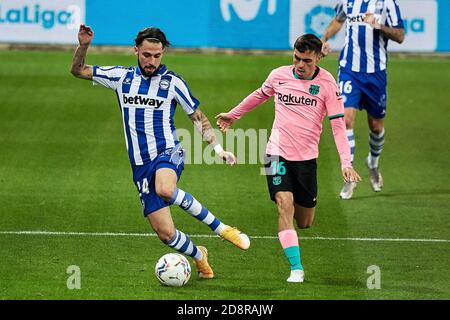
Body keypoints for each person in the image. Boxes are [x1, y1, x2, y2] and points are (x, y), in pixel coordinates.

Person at [70, 24, 250, 280]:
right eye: (146, 55)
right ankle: (200, 255)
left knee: (165, 188)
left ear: (163, 53)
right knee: (166, 234)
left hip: (168, 152)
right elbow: (78, 70)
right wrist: (84, 45)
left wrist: (219, 149)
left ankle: (222, 229)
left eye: (157, 55)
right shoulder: (121, 78)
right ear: (136, 51)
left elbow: (198, 118)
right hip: (141, 166)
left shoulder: (173, 83)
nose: (152, 61)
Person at [216, 34, 361, 283]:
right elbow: (259, 95)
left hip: (306, 160)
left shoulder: (327, 84)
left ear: (318, 58)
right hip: (276, 153)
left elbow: (338, 126)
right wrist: (234, 114)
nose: (300, 65)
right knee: (284, 205)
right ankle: (296, 268)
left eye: (306, 60)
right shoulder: (279, 75)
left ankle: (292, 230)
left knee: (304, 221)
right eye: (296, 58)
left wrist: (345, 163)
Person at [321, 0, 405, 199]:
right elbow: (338, 20)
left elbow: (400, 35)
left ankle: (373, 164)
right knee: (346, 119)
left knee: (376, 126)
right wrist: (323, 39)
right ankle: (349, 176)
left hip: (376, 73)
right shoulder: (348, 2)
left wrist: (378, 25)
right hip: (349, 70)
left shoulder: (387, 4)